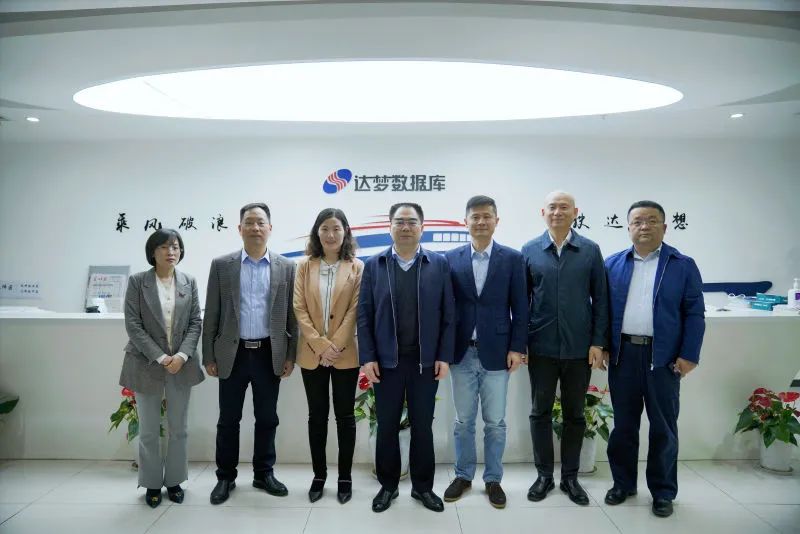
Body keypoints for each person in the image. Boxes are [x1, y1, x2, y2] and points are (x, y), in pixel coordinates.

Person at [603, 200, 705, 518]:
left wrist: (689, 355)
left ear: (664, 226)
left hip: (663, 357)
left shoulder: (682, 265)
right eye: (637, 221)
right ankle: (623, 484)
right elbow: (602, 311)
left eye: (651, 220)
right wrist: (602, 345)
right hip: (623, 355)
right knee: (623, 425)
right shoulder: (613, 264)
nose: (644, 226)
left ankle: (662, 492)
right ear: (628, 227)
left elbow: (694, 313)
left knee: (663, 427)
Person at [357, 202, 455, 513]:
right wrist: (368, 357)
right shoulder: (374, 265)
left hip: (425, 362)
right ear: (389, 227)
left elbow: (448, 314)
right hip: (386, 363)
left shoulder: (438, 264)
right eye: (399, 221)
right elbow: (364, 315)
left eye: (412, 222)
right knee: (387, 426)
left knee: (422, 427)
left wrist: (444, 356)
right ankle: (388, 486)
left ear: (422, 227)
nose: (405, 227)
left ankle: (423, 488)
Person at [203, 202, 298, 505]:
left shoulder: (286, 267)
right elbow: (212, 312)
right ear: (239, 228)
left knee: (267, 418)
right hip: (232, 353)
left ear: (270, 228)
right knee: (228, 419)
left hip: (269, 353)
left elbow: (292, 317)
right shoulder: (222, 265)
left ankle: (263, 473)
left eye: (260, 222)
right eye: (249, 222)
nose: (255, 227)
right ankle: (225, 477)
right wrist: (208, 356)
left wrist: (290, 355)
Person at [521, 191, 608, 506]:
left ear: (575, 212)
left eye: (564, 207)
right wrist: (521, 344)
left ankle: (570, 478)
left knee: (575, 414)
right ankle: (544, 476)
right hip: (541, 347)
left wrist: (598, 342)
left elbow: (601, 299)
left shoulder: (589, 250)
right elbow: (521, 302)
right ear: (543, 212)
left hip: (579, 348)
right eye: (552, 207)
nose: (558, 212)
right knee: (539, 413)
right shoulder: (530, 250)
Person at [442, 195, 528, 509]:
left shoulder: (512, 258)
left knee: (495, 422)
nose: (480, 221)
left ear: (496, 221)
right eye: (475, 217)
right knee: (463, 421)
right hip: (461, 353)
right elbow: (445, 308)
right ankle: (463, 475)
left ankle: (493, 479)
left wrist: (517, 348)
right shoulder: (450, 258)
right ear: (465, 221)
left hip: (498, 352)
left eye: (486, 216)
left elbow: (521, 307)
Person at [120, 228, 204, 508]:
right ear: (152, 252)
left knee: (179, 428)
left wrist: (181, 355)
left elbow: (195, 322)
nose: (171, 252)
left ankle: (175, 481)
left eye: (176, 246)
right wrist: (160, 357)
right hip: (146, 364)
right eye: (164, 247)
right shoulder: (138, 282)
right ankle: (152, 484)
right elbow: (133, 324)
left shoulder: (189, 281)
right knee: (148, 430)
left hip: (181, 364)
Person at [293, 208, 364, 504]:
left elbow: (355, 310)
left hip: (345, 355)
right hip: (312, 355)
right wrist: (321, 346)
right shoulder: (304, 266)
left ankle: (345, 477)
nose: (331, 234)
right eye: (325, 228)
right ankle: (319, 476)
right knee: (317, 417)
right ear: (317, 232)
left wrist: (334, 346)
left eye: (336, 228)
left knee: (345, 418)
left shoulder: (357, 267)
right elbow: (299, 308)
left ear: (345, 232)